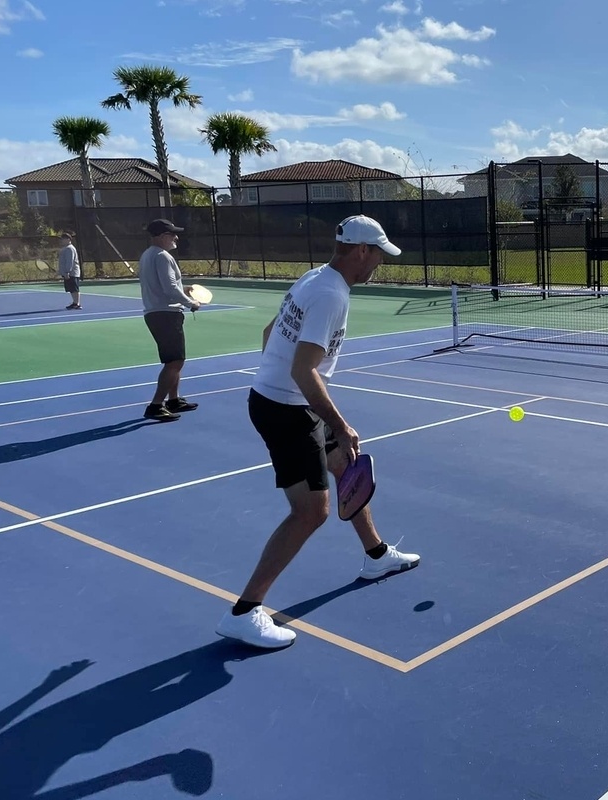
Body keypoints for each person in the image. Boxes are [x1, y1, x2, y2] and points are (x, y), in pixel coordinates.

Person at [216, 214, 420, 650]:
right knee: (310, 512)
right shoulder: (331, 296)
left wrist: (280, 381)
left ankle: (376, 557)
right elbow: (304, 368)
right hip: (283, 411)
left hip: (289, 401)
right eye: (378, 255)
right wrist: (340, 424)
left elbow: (270, 332)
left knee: (345, 468)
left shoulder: (315, 278)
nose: (379, 264)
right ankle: (244, 612)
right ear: (361, 250)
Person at [139, 218, 201, 422]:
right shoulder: (162, 256)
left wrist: (184, 291)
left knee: (176, 360)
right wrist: (191, 302)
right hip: (165, 315)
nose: (176, 237)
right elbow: (170, 289)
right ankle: (156, 405)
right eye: (172, 234)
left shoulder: (148, 255)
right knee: (174, 361)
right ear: (161, 236)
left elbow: (164, 287)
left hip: (158, 313)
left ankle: (174, 400)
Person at [57, 231, 81, 309]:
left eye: (63, 239)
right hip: (68, 273)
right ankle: (74, 302)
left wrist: (67, 272)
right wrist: (61, 271)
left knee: (74, 288)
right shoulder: (65, 249)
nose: (62, 240)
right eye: (61, 239)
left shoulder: (69, 249)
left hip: (72, 273)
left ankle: (77, 304)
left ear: (68, 239)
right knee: (71, 289)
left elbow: (69, 261)